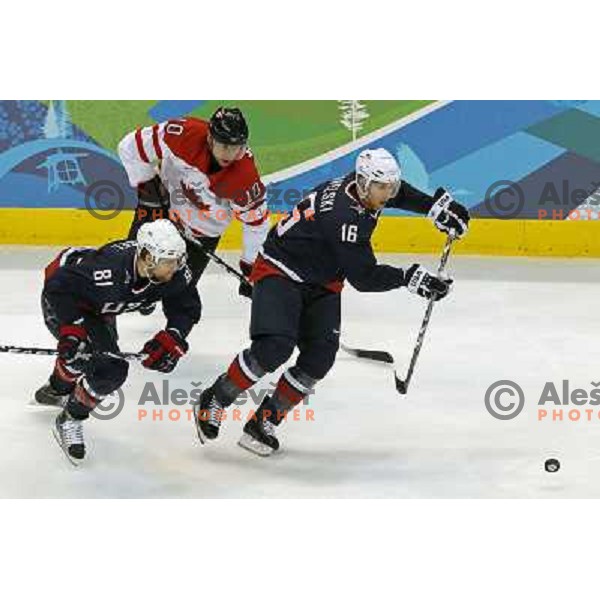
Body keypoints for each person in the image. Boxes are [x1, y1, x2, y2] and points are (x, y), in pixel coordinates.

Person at [192, 147, 470, 456]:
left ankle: (263, 422)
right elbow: (364, 278)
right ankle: (216, 397)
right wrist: (410, 277)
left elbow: (398, 192)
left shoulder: (365, 188)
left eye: (390, 185)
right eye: (382, 187)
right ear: (364, 184)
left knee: (319, 358)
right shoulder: (344, 216)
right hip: (281, 269)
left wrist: (435, 207)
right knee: (274, 347)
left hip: (322, 281)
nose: (388, 193)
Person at [35, 219, 200, 463]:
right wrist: (73, 328)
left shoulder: (175, 273)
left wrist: (173, 335)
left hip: (101, 307)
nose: (173, 268)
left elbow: (186, 307)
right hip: (67, 300)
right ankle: (71, 418)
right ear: (146, 256)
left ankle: (56, 389)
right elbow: (57, 285)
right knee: (104, 365)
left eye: (176, 261)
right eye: (167, 262)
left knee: (92, 358)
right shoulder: (108, 271)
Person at [118, 106, 268, 306]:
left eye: (237, 147)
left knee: (177, 298)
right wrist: (148, 189)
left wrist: (251, 268)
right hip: (160, 208)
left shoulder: (244, 178)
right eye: (224, 146)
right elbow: (129, 147)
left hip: (202, 232)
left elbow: (256, 223)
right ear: (210, 139)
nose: (230, 154)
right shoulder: (182, 135)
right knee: (130, 276)